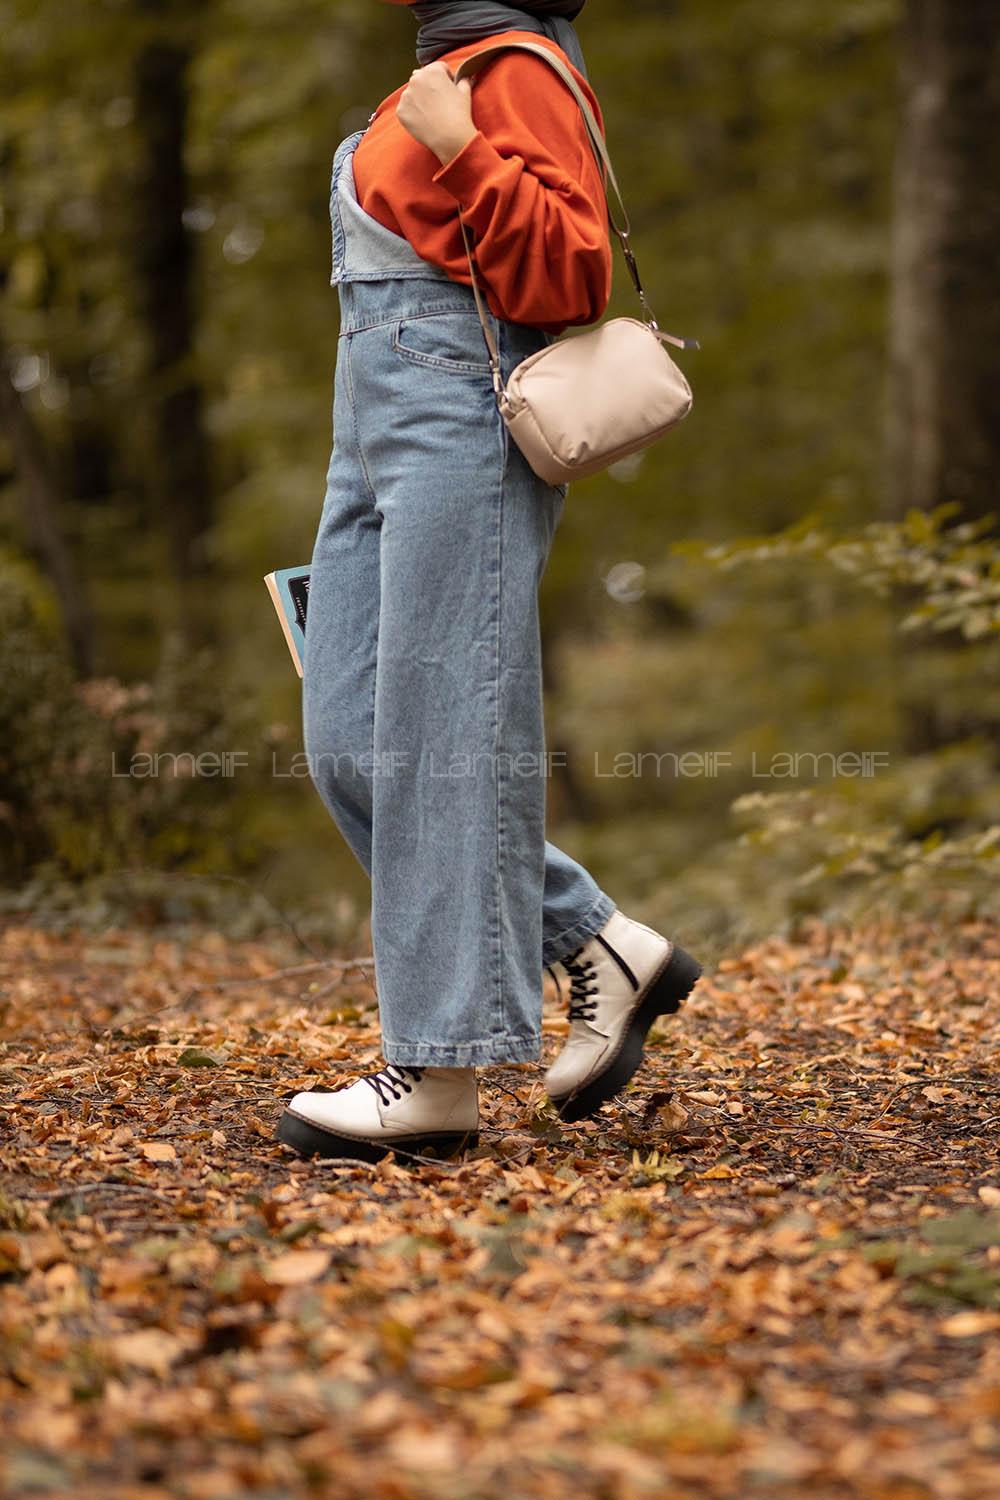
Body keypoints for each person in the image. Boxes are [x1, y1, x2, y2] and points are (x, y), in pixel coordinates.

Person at [276, 0, 702, 1164]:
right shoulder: (451, 66)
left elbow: (568, 273)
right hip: (373, 421)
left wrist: (460, 148)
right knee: (350, 732)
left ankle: (436, 1073)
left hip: (460, 404)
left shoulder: (515, 69)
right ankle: (596, 938)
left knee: (434, 727)